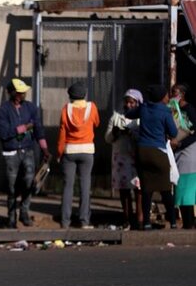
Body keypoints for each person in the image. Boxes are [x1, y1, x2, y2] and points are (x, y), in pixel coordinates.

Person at [0, 78, 50, 228]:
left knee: (29, 181)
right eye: (20, 92)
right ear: (12, 93)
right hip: (11, 153)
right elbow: (3, 133)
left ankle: (24, 212)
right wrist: (23, 128)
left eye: (24, 92)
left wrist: (44, 148)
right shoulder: (3, 110)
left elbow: (38, 129)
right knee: (12, 186)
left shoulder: (31, 108)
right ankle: (11, 217)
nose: (23, 95)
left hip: (27, 150)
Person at [127, 84, 178, 230]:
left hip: (142, 151)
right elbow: (173, 133)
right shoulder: (165, 111)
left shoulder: (143, 108)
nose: (168, 97)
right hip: (157, 151)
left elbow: (129, 114)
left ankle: (147, 222)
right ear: (162, 97)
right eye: (167, 95)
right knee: (165, 189)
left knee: (146, 189)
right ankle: (173, 221)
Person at [57, 81, 100, 229]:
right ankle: (84, 221)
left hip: (70, 150)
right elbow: (97, 123)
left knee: (68, 186)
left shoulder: (66, 109)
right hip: (87, 151)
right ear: (84, 94)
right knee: (85, 185)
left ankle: (65, 221)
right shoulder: (92, 107)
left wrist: (59, 152)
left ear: (70, 96)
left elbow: (62, 133)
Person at [104, 89, 142, 230]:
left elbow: (144, 136)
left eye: (132, 102)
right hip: (120, 157)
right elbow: (107, 138)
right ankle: (127, 217)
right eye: (127, 101)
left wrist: (132, 134)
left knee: (138, 189)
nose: (129, 104)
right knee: (124, 190)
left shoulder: (140, 118)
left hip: (136, 156)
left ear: (138, 103)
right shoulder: (116, 117)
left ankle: (139, 217)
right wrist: (115, 133)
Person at [170, 83, 196, 229]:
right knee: (181, 190)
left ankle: (189, 222)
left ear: (182, 94)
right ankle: (188, 221)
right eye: (172, 92)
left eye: (175, 92)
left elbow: (194, 132)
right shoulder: (173, 110)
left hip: (189, 152)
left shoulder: (189, 110)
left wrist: (180, 143)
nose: (173, 95)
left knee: (187, 190)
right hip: (178, 152)